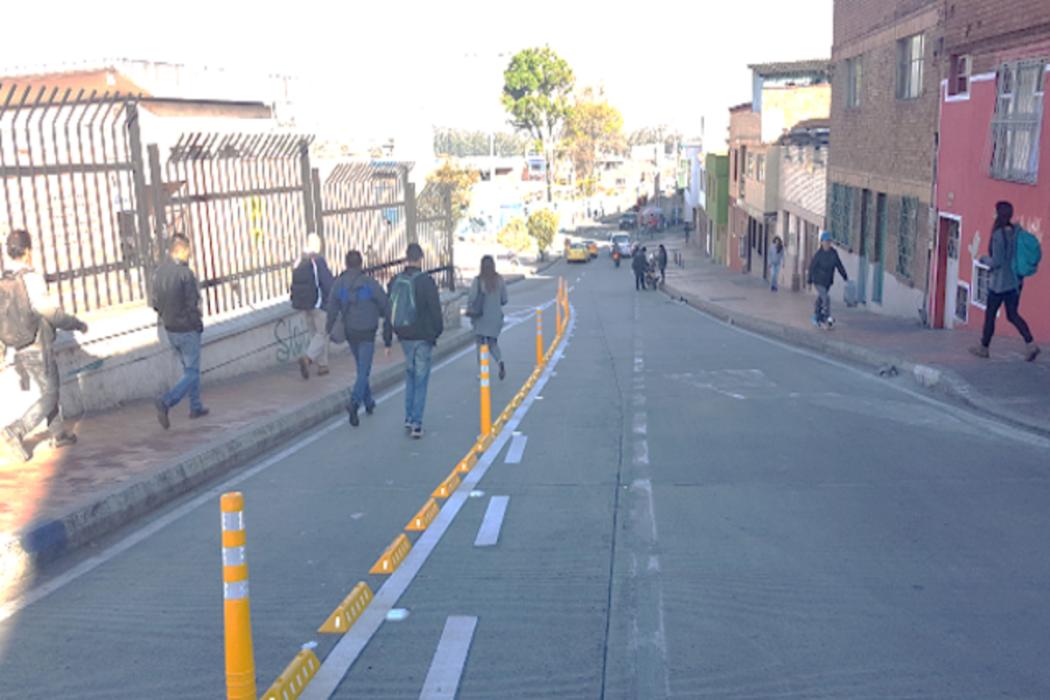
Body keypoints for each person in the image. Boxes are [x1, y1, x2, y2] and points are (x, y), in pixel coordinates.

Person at [1, 229, 87, 461]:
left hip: (19, 347)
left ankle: (58, 434)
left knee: (48, 389)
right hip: (40, 345)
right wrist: (75, 323)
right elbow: (48, 311)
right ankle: (16, 430)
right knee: (51, 393)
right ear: (28, 251)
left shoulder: (4, 281)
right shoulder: (31, 278)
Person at [384, 243, 443, 439]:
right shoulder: (426, 282)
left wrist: (387, 339)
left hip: (404, 336)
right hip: (423, 337)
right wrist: (436, 333)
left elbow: (388, 311)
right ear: (421, 259)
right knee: (421, 379)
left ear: (406, 258)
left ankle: (409, 417)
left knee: (410, 375)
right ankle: (417, 423)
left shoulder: (395, 281)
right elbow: (435, 311)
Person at [326, 250, 391, 427]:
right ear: (361, 264)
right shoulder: (369, 283)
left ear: (346, 264)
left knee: (361, 367)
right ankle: (354, 402)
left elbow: (331, 307)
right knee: (364, 370)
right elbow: (384, 302)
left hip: (351, 331)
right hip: (368, 331)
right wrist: (388, 322)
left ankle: (369, 402)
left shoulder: (339, 284)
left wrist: (328, 328)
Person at [970, 201, 1039, 361]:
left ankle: (984, 348)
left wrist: (983, 259)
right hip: (1015, 283)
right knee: (1013, 314)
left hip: (999, 284)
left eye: (995, 212)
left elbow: (997, 262)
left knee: (990, 315)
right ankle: (1031, 344)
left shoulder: (998, 235)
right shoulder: (1016, 232)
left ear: (999, 215)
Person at [152, 234, 208, 430]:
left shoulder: (159, 273)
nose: (190, 254)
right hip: (187, 328)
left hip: (170, 329)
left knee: (188, 370)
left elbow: (155, 304)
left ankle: (196, 406)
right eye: (188, 250)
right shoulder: (185, 274)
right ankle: (166, 401)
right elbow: (192, 304)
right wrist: (197, 323)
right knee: (192, 372)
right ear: (181, 250)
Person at [290, 233, 334, 380]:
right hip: (319, 303)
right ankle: (308, 359)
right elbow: (327, 282)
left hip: (304, 304)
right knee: (322, 333)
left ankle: (323, 365)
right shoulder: (318, 260)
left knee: (314, 334)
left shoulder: (299, 260)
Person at [468, 255, 509, 381]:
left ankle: (482, 371)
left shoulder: (478, 281)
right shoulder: (499, 280)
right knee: (492, 343)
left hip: (481, 319)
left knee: (480, 345)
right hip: (495, 319)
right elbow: (504, 300)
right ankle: (500, 361)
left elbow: (471, 299)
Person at [808, 232, 848, 328]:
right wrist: (809, 281)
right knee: (826, 298)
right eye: (825, 242)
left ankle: (816, 316)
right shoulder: (818, 255)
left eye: (829, 242)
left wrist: (845, 276)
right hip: (818, 280)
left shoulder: (833, 253)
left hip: (827, 281)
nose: (827, 244)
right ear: (821, 242)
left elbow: (839, 265)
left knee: (821, 299)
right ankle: (826, 318)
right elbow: (812, 267)